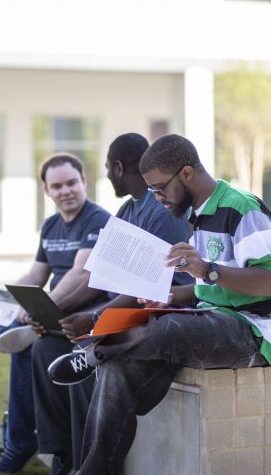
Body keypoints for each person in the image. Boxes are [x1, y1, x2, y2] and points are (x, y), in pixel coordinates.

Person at [54, 134, 271, 475]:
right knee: (116, 370)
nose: (157, 198)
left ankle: (92, 353)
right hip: (213, 320)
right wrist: (172, 297)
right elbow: (208, 290)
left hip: (258, 331)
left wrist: (205, 269)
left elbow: (270, 284)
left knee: (166, 327)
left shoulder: (242, 207)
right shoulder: (197, 215)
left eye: (159, 188)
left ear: (186, 174)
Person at [30, 133, 195, 475]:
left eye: (107, 167)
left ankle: (87, 463)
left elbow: (145, 287)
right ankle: (64, 455)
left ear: (119, 167)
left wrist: (93, 318)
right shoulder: (128, 208)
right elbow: (102, 274)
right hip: (121, 305)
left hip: (155, 310)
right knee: (44, 347)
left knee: (82, 354)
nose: (106, 174)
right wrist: (64, 311)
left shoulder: (159, 212)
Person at [0, 153, 111, 474]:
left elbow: (79, 274)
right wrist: (4, 296)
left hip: (75, 311)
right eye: (57, 186)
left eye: (72, 183)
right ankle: (11, 327)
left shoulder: (97, 219)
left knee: (27, 349)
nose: (65, 191)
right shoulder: (51, 225)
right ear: (46, 191)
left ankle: (20, 444)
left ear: (84, 182)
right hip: (43, 312)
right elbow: (35, 275)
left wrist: (42, 310)